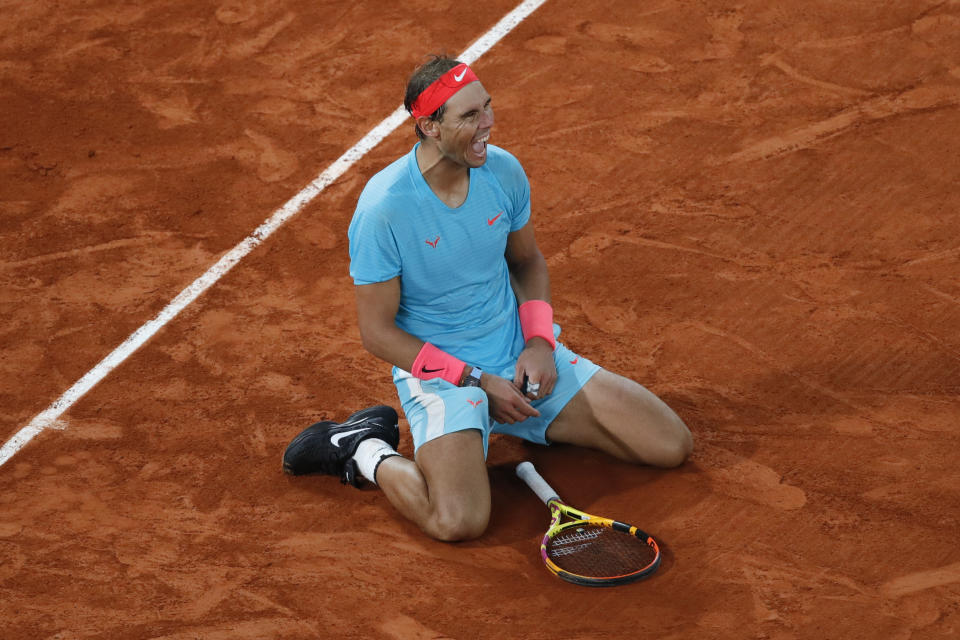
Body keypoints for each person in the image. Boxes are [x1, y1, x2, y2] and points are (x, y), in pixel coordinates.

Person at [283, 55, 692, 541]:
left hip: (519, 359)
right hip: (445, 378)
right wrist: (475, 380)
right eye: (470, 116)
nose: (489, 125)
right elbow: (377, 333)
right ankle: (363, 449)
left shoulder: (504, 173)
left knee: (671, 444)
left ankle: (516, 425)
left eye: (487, 108)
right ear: (429, 126)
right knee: (456, 522)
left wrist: (539, 343)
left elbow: (527, 262)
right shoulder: (384, 209)